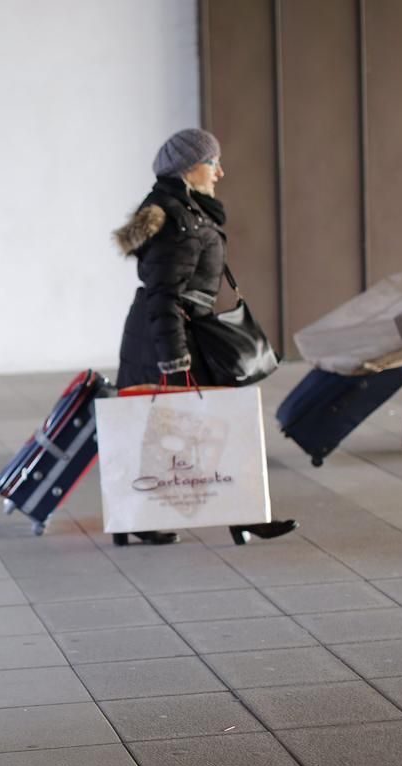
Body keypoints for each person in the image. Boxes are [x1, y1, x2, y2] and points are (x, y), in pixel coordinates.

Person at [114, 128, 298, 547]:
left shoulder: (188, 209)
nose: (220, 171)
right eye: (213, 162)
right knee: (181, 427)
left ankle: (244, 515)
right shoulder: (172, 216)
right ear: (189, 167)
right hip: (171, 339)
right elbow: (163, 292)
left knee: (219, 423)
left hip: (183, 332)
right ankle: (232, 516)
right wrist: (173, 358)